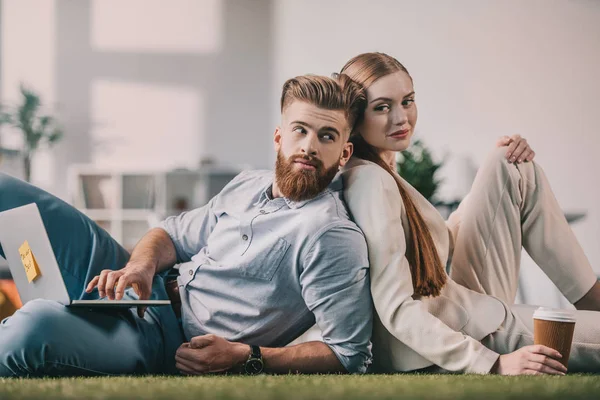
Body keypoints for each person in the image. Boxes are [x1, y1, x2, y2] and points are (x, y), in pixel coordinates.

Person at [0, 74, 373, 377]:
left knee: (31, 327)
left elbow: (349, 353)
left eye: (326, 136)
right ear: (279, 136)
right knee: (6, 195)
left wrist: (247, 356)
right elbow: (172, 234)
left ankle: (58, 314)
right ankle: (55, 293)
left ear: (343, 153)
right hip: (138, 284)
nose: (309, 146)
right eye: (300, 130)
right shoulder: (248, 183)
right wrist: (140, 267)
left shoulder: (331, 235)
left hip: (162, 340)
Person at [339, 52, 600, 375]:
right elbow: (396, 309)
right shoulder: (370, 181)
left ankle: (593, 299)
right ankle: (594, 302)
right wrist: (493, 364)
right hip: (458, 331)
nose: (401, 118)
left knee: (510, 162)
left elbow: (432, 247)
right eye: (382, 107)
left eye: (407, 101)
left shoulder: (378, 167)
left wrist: (495, 178)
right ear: (354, 115)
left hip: (458, 305)